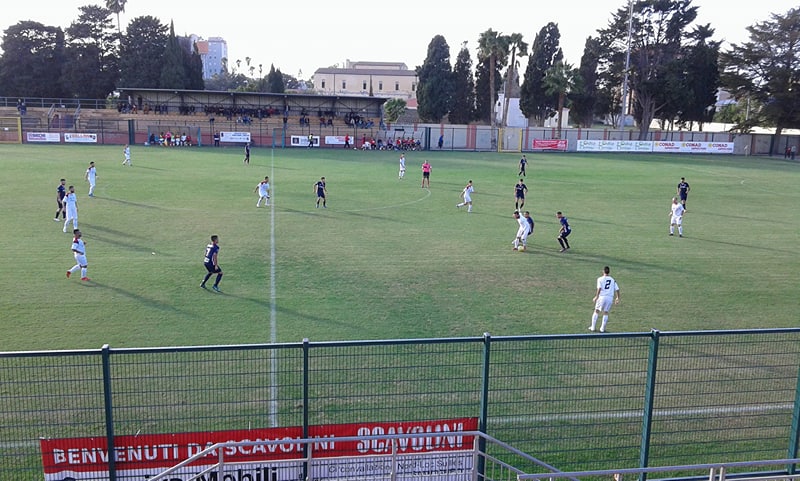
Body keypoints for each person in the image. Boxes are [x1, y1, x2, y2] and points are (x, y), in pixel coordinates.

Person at [589, 266, 620, 333]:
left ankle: (593, 327)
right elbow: (617, 289)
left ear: (603, 271)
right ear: (609, 272)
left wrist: (596, 296)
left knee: (596, 311)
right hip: (610, 298)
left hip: (602, 297)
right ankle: (602, 329)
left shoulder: (600, 279)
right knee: (606, 312)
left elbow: (599, 288)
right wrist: (617, 298)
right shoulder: (612, 280)